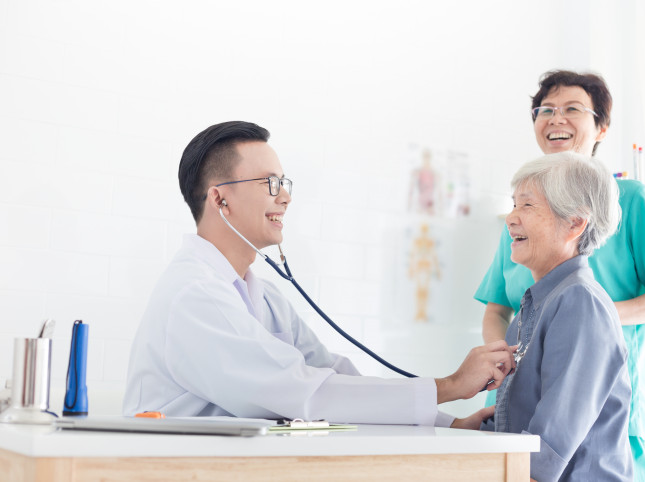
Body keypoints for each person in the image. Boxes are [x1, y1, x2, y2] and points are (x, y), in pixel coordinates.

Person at [123, 121, 515, 428]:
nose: (285, 197)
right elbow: (305, 395)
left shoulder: (265, 296)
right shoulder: (194, 295)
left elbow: (331, 374)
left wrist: (450, 423)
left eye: (284, 183)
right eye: (270, 183)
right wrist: (450, 386)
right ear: (220, 198)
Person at [475, 70, 645, 480]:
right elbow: (497, 308)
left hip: (586, 419)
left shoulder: (628, 203)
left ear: (601, 128)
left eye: (572, 109)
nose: (556, 118)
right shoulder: (522, 232)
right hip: (524, 406)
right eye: (546, 110)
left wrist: (587, 318)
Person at [480, 152, 632, 481]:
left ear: (575, 223)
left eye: (527, 205)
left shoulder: (580, 303)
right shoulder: (535, 306)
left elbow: (543, 455)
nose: (511, 218)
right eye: (514, 204)